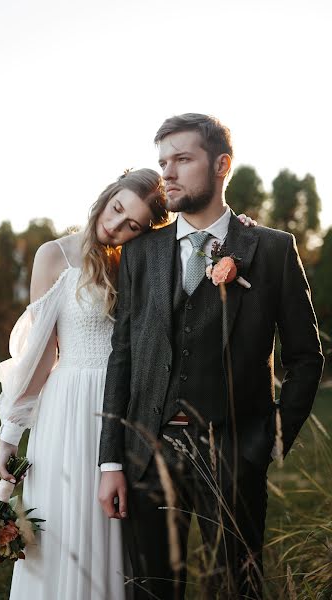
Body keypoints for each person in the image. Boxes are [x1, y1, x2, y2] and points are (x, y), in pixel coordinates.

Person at [0, 166, 255, 600]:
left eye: (131, 225)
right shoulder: (53, 255)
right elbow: (39, 356)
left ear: (146, 230)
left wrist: (238, 233)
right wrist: (10, 433)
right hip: (69, 409)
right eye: (116, 209)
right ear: (108, 192)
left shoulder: (146, 260)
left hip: (129, 412)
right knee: (63, 527)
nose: (114, 227)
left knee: (124, 537)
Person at [98, 114, 324, 599]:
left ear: (221, 165)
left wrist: (268, 442)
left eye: (182, 159)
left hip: (234, 453)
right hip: (145, 454)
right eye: (163, 162)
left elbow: (306, 357)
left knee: (236, 589)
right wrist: (110, 462)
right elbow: (123, 357)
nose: (168, 173)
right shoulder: (142, 252)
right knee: (151, 592)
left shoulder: (270, 248)